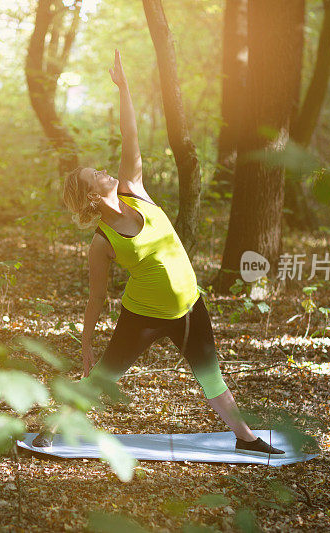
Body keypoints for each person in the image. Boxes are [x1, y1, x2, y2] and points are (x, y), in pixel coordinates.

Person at [34, 50, 283, 457]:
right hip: (142, 316)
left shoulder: (135, 189)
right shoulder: (102, 242)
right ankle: (53, 427)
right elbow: (97, 297)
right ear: (92, 196)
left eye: (98, 167)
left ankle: (246, 438)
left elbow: (129, 135)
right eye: (93, 175)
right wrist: (86, 343)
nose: (102, 170)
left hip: (189, 306)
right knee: (102, 378)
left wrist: (125, 88)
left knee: (210, 375)